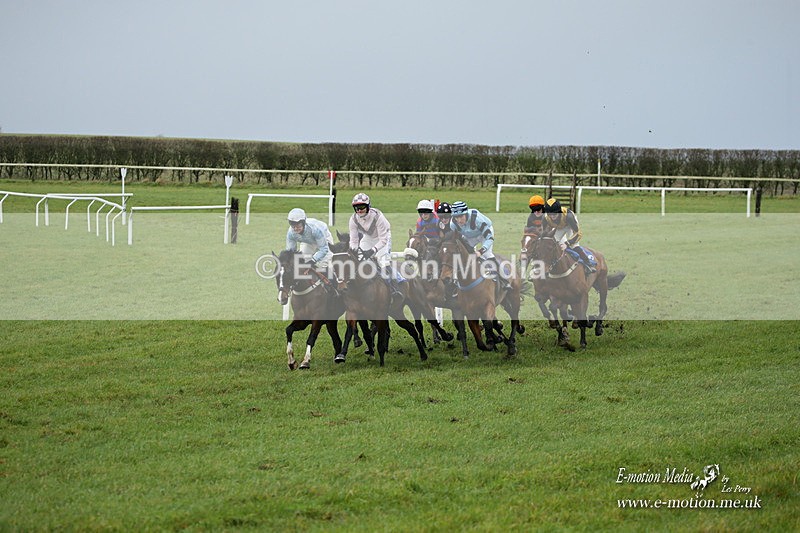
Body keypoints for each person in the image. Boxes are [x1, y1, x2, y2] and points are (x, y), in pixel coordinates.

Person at [348, 192, 403, 302]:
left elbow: (383, 240)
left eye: (362, 207)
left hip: (383, 237)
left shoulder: (378, 217)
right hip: (368, 238)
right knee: (359, 260)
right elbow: (353, 241)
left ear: (368, 206)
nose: (359, 210)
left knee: (382, 261)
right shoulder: (353, 219)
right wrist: (355, 251)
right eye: (356, 208)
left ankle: (395, 288)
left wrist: (372, 250)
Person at [449, 201, 511, 292]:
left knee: (487, 254)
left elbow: (489, 238)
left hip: (484, 233)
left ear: (466, 214)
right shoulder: (453, 225)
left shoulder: (477, 219)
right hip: (470, 236)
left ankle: (504, 280)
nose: (459, 220)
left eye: (461, 216)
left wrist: (480, 251)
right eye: (456, 217)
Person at [542, 198, 596, 273]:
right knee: (551, 244)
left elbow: (578, 233)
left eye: (555, 213)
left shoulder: (569, 216)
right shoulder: (545, 218)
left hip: (570, 226)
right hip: (559, 227)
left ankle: (589, 264)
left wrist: (567, 244)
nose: (552, 216)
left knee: (574, 246)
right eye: (550, 214)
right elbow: (544, 234)